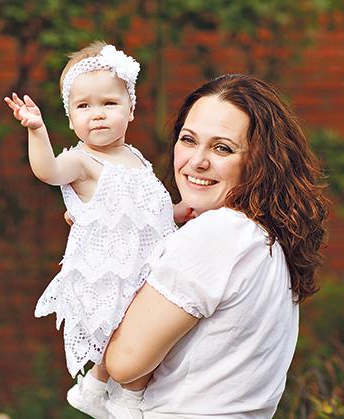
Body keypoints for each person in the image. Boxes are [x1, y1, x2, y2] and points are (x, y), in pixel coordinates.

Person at [102, 74, 328, 418]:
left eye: (222, 148)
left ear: (260, 161)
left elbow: (124, 362)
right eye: (188, 140)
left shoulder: (218, 234)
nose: (197, 161)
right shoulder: (263, 238)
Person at [4, 42, 191, 418]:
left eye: (109, 103)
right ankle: (126, 400)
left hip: (147, 264)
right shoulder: (82, 161)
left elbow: (144, 213)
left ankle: (93, 389)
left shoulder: (135, 158)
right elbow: (48, 172)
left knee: (147, 334)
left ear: (131, 109)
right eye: (84, 107)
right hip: (114, 271)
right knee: (138, 336)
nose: (98, 115)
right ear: (70, 119)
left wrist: (177, 212)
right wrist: (36, 130)